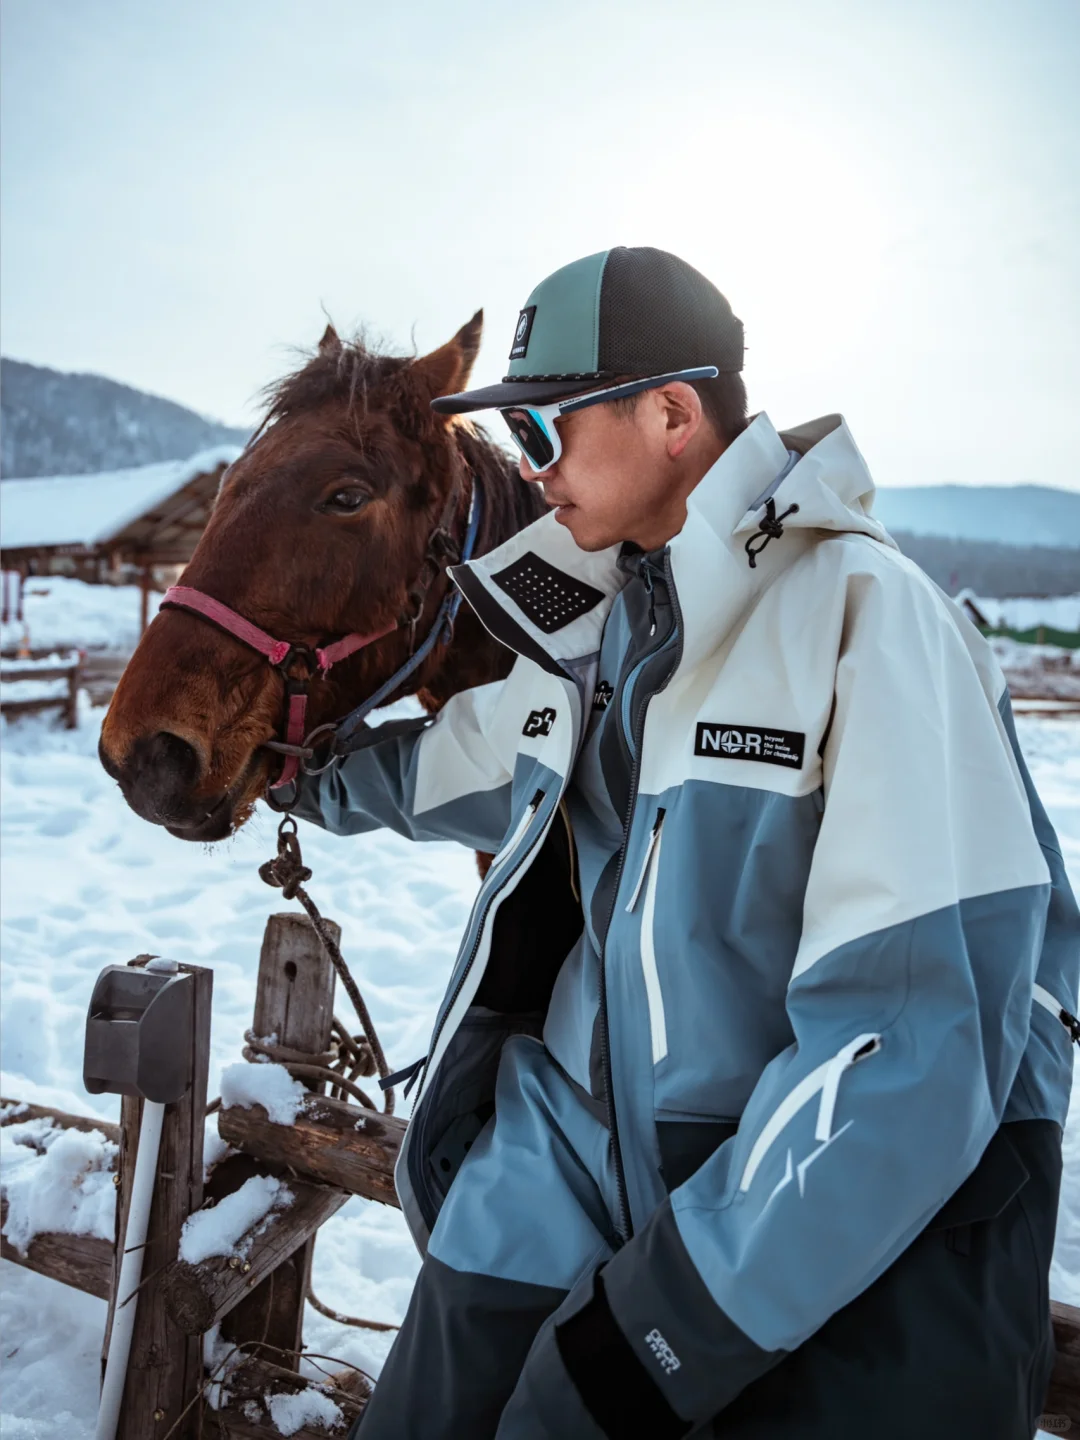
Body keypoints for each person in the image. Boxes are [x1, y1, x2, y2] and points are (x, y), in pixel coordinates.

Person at [288, 247, 1079, 1438]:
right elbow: (450, 765)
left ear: (671, 414)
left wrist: (667, 1326)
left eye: (544, 426)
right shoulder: (601, 634)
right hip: (567, 1172)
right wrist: (286, 770)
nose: (527, 465)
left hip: (793, 1235)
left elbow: (911, 1046)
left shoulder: (868, 618)